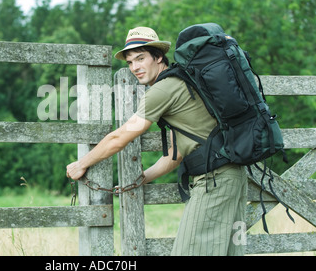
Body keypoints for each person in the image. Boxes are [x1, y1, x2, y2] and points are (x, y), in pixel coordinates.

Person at [66, 26, 247, 256]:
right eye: (130, 62)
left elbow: (120, 136)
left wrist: (82, 163)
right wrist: (141, 179)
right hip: (233, 176)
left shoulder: (163, 89)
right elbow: (176, 154)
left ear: (159, 57)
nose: (135, 68)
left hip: (215, 181)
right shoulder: (183, 82)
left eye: (141, 58)